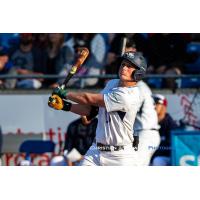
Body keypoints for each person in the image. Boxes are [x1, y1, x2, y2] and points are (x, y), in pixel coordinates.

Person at [48, 51, 147, 166]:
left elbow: (88, 99)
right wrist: (65, 106)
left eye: (129, 66)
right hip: (96, 151)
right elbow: (91, 109)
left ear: (138, 73)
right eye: (123, 64)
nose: (124, 68)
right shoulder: (112, 83)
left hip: (120, 156)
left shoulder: (128, 95)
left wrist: (64, 93)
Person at [134, 80, 160, 166]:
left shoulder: (140, 87)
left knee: (134, 165)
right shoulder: (139, 87)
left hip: (146, 133)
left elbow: (129, 107)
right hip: (143, 133)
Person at [151, 94, 179, 166]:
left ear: (164, 107)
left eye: (157, 103)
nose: (154, 106)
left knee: (158, 161)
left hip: (167, 157)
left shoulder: (171, 125)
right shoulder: (146, 123)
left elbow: (172, 148)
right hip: (150, 157)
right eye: (152, 103)